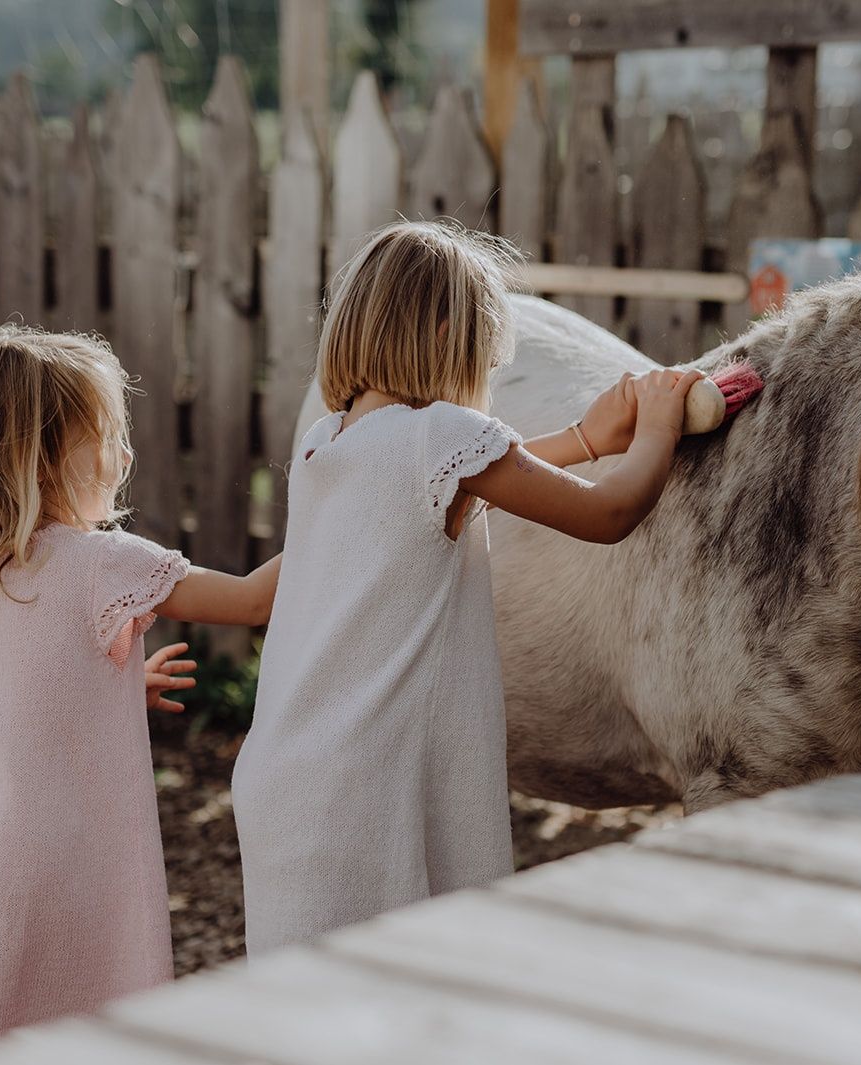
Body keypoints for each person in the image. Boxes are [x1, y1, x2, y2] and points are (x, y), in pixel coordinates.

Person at [234, 220, 702, 953]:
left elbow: (462, 483)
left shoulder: (332, 440)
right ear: (452, 334)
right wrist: (658, 433)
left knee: (310, 1003)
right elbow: (608, 514)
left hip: (287, 780)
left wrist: (583, 438)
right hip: (367, 793)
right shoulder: (442, 436)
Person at [0, 326, 281, 1063]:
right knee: (74, 1021)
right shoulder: (101, 563)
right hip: (60, 862)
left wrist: (113, 694)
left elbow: (11, 702)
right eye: (107, 436)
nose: (126, 457)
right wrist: (348, 511)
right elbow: (256, 600)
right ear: (43, 457)